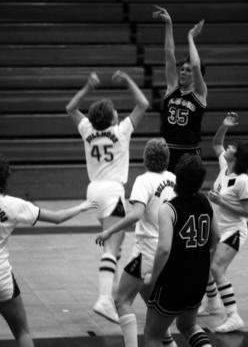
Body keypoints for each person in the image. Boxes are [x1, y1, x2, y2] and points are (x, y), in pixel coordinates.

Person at [66, 70, 149, 323]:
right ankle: (104, 299)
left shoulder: (87, 128)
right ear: (113, 116)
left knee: (115, 245)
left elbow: (71, 107)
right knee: (112, 246)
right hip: (112, 190)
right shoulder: (121, 130)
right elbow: (143, 103)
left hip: (94, 190)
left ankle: (108, 295)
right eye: (115, 111)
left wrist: (87, 87)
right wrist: (127, 82)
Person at [0, 153, 91, 347]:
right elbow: (57, 217)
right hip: (2, 280)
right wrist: (82, 207)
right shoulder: (13, 205)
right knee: (22, 332)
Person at [96, 138, 177, 347]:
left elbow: (136, 214)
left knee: (121, 300)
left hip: (147, 251)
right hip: (168, 249)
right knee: (151, 300)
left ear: (145, 158)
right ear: (167, 159)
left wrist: (109, 231)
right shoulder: (173, 178)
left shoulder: (144, 180)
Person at [143, 154, 220, 347]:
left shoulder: (169, 209)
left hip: (174, 280)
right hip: (199, 277)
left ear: (178, 177)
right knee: (188, 326)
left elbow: (163, 250)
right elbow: (217, 237)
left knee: (152, 335)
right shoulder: (205, 202)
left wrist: (154, 278)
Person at [198, 112, 248, 333]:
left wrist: (221, 201)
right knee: (206, 265)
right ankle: (212, 303)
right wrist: (225, 125)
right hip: (218, 228)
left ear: (237, 157)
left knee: (217, 268)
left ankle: (233, 316)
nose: (229, 146)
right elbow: (216, 142)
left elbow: (247, 212)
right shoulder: (225, 166)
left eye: (234, 147)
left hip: (234, 231)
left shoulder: (243, 181)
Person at [153, 5, 207, 173]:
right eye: (182, 69)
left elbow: (196, 64)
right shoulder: (172, 87)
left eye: (187, 70)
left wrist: (190, 36)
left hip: (189, 152)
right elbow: (169, 54)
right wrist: (169, 24)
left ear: (196, 75)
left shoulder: (199, 92)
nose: (183, 72)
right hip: (168, 150)